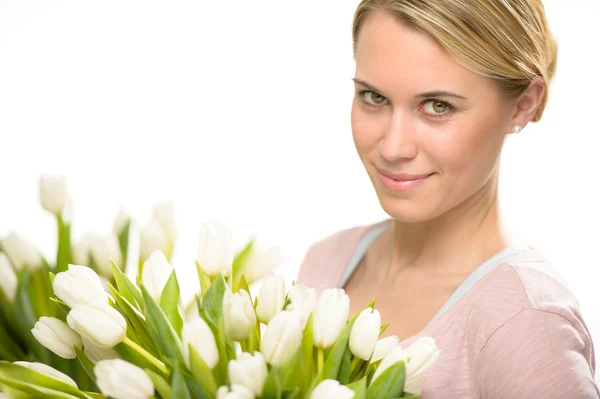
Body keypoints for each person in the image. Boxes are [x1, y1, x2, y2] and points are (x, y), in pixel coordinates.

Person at [296, 0, 599, 397]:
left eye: (438, 106)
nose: (392, 146)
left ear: (524, 103)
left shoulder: (525, 325)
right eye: (373, 97)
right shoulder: (326, 264)